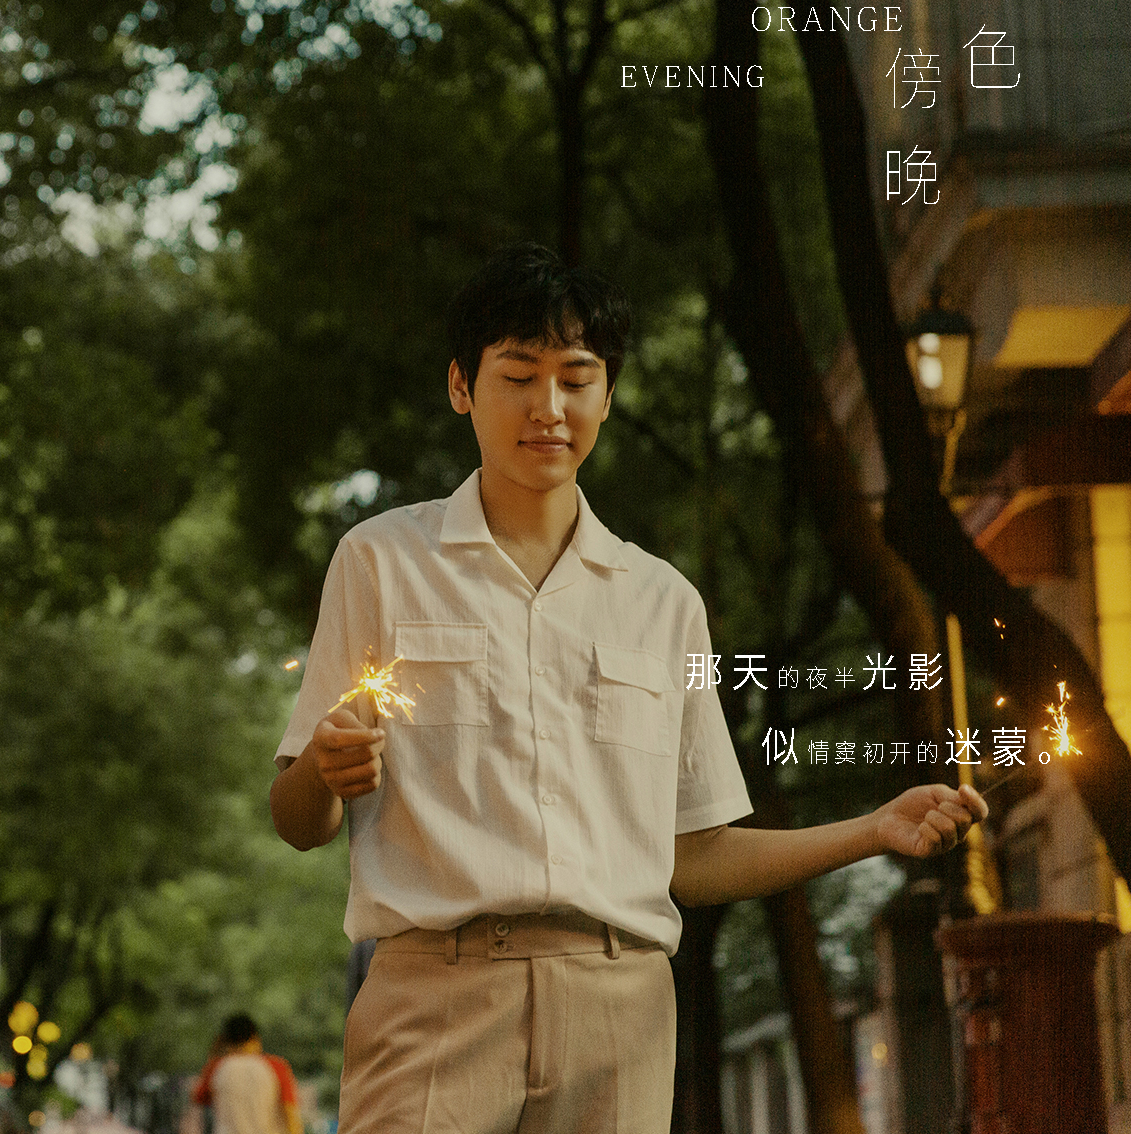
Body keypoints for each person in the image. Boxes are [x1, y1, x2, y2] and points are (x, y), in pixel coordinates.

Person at [268, 243, 987, 1134]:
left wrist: (871, 830)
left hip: (620, 1013)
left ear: (607, 395)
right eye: (518, 376)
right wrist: (324, 772)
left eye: (577, 378)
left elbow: (694, 856)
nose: (549, 407)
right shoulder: (380, 562)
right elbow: (298, 818)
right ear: (461, 386)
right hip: (432, 1001)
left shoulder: (663, 602)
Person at [190, 1014, 303, 1134]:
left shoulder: (216, 1067)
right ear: (255, 1038)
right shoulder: (276, 1067)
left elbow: (199, 1099)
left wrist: (215, 1053)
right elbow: (290, 1114)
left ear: (225, 1040)